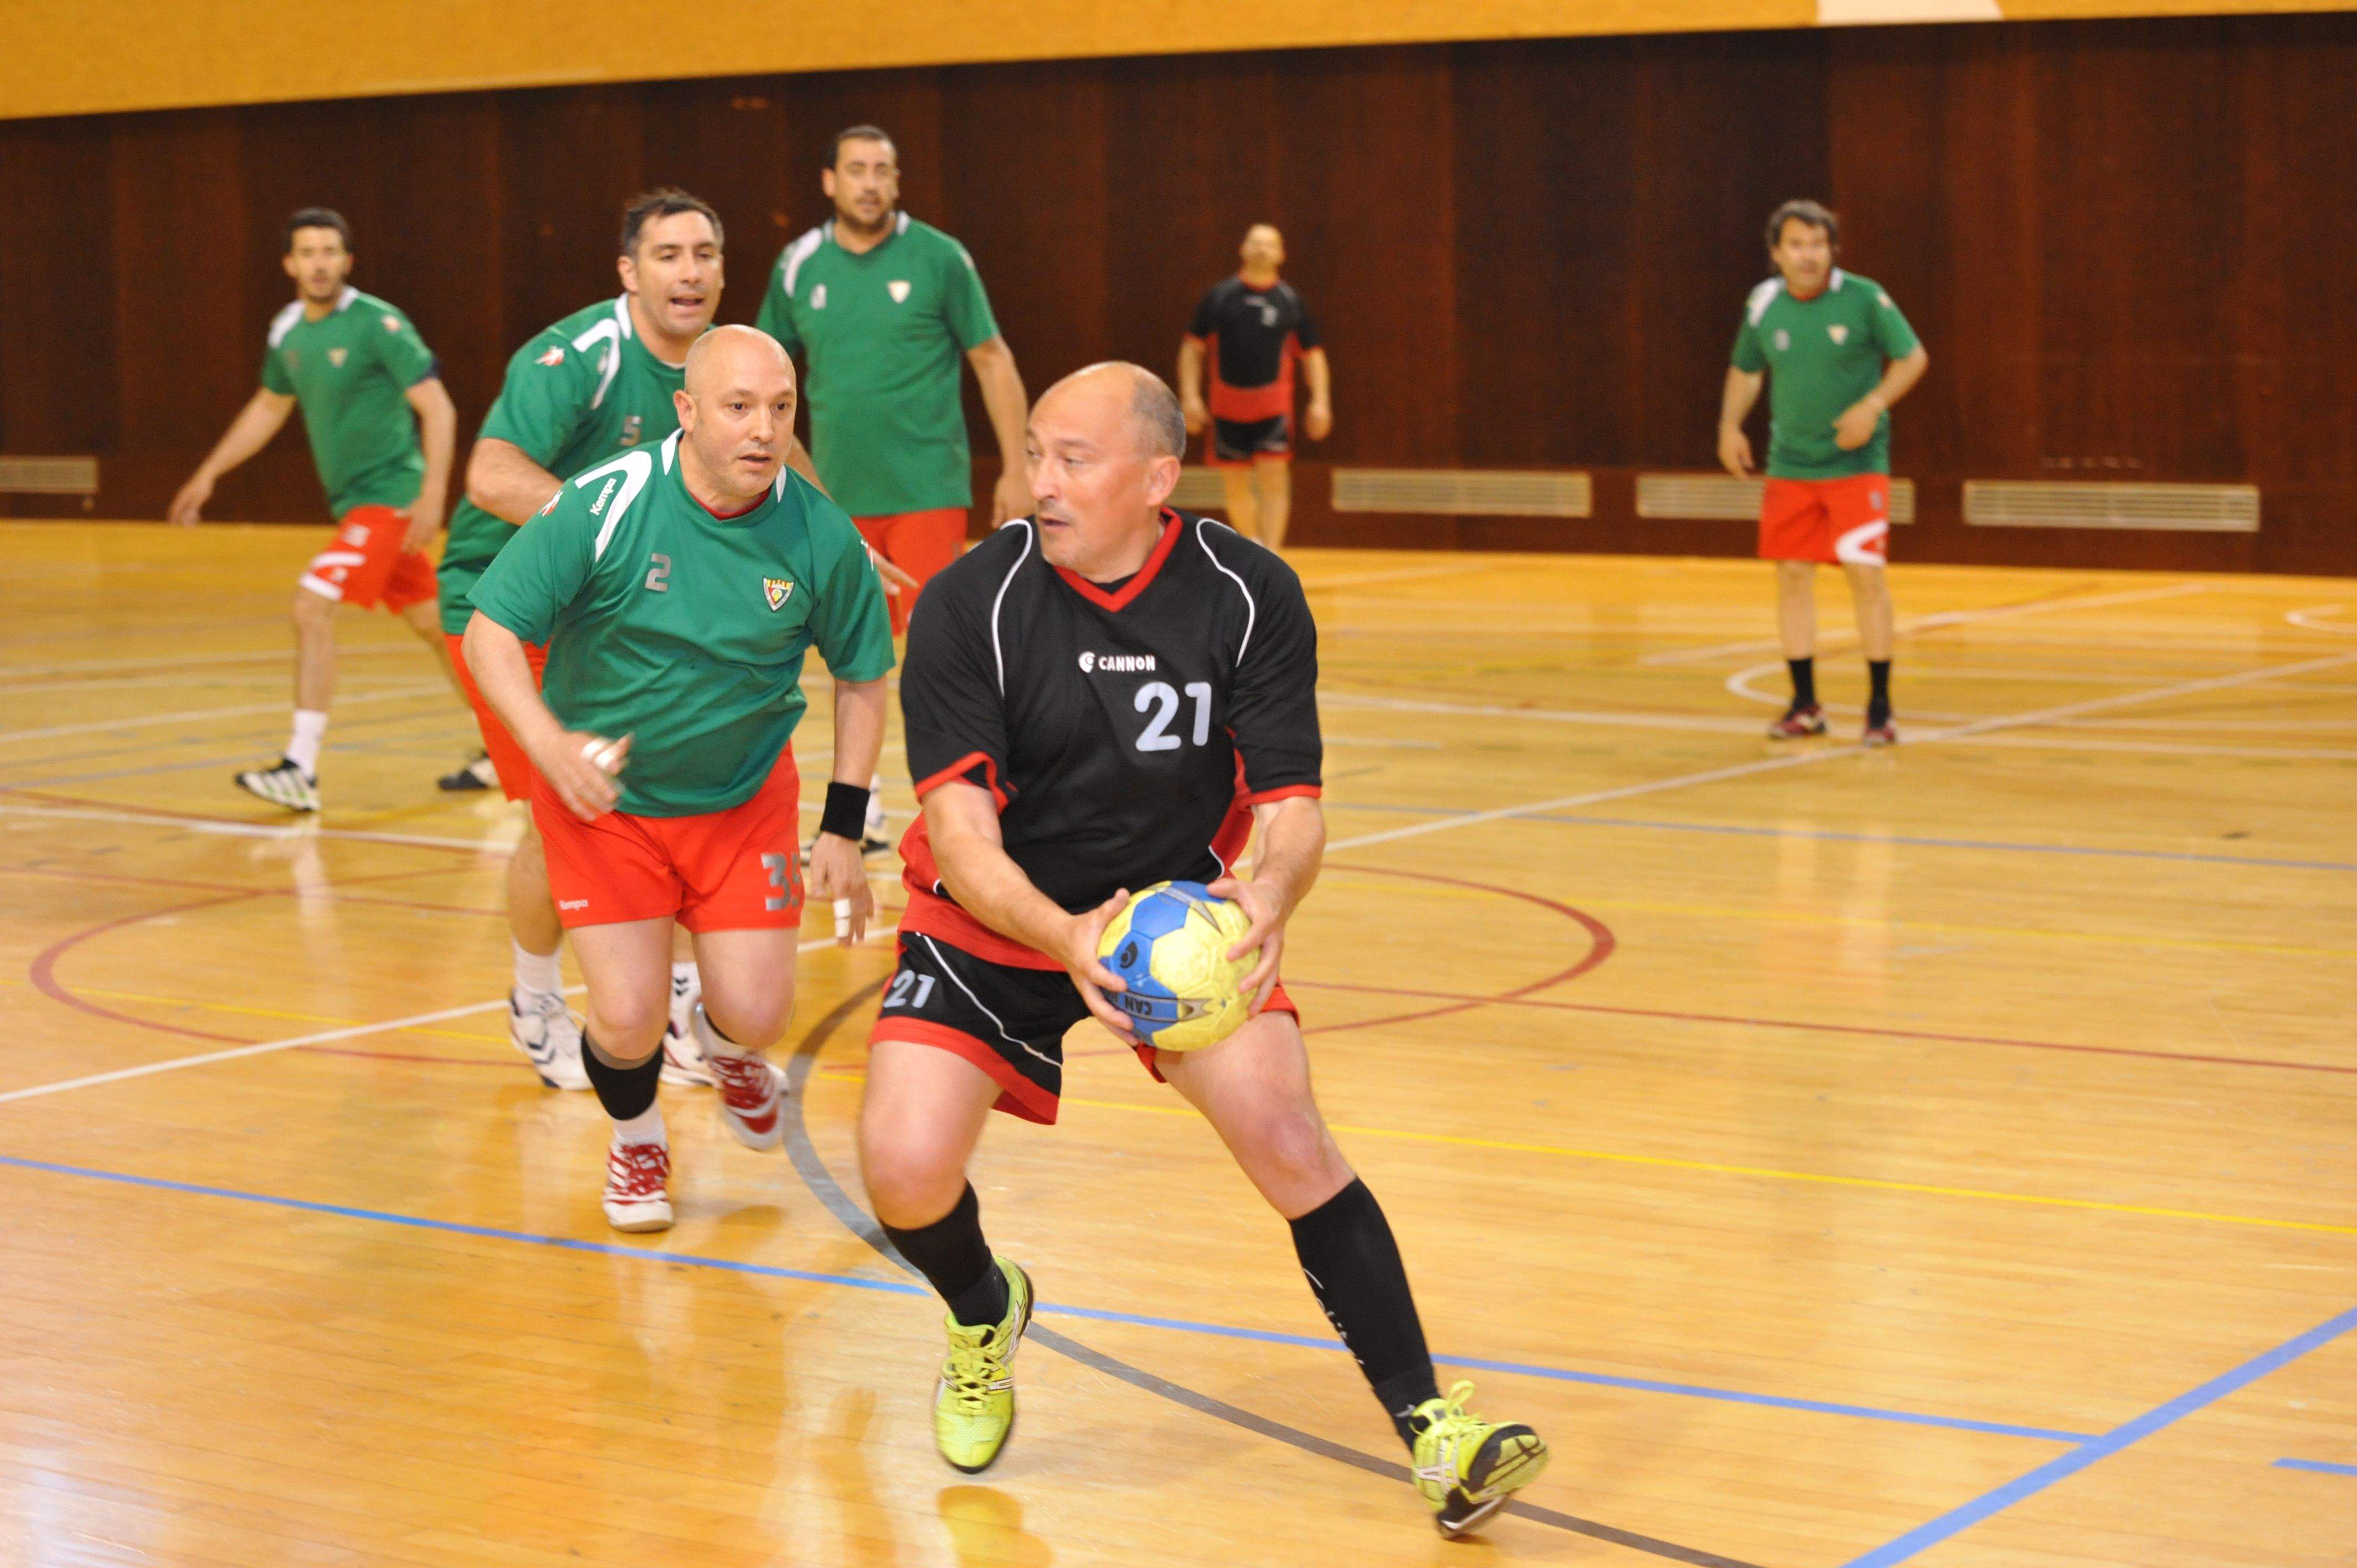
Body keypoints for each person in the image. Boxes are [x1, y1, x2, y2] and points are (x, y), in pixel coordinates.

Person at [856, 362, 1547, 1535]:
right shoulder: (972, 601)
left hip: (1177, 916)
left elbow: (1291, 806)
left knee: (1286, 1130)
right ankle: (983, 1309)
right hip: (997, 922)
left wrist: (1268, 895)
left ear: (1159, 478)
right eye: (1033, 454)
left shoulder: (1246, 593)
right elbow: (964, 840)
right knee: (901, 1166)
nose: (1041, 483)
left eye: (1074, 459)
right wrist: (1070, 936)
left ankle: (1436, 1429)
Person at [462, 325, 893, 1233]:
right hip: (608, 807)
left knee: (758, 1011)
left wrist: (843, 827)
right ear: (688, 412)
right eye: (739, 408)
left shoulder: (821, 534)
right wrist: (549, 748)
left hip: (741, 804)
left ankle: (725, 1049)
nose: (764, 430)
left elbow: (862, 676)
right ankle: (638, 1136)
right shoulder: (603, 502)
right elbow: (490, 634)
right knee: (624, 1022)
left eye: (780, 409)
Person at [440, 189, 821, 1091]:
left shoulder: (724, 364)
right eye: (667, 255)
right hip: (513, 603)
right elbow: (491, 474)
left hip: (624, 613)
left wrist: (830, 537)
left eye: (704, 254)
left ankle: (685, 1005)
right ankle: (536, 1000)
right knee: (564, 808)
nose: (689, 272)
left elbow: (775, 447)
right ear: (629, 272)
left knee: (679, 790)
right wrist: (617, 534)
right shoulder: (580, 357)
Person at [756, 123, 1032, 848]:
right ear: (830, 181)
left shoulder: (940, 258)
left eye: (884, 170)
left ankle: (964, 802)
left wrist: (1018, 465)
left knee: (939, 651)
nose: (871, 182)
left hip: (925, 488)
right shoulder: (797, 266)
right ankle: (861, 806)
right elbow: (760, 374)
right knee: (854, 651)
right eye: (857, 169)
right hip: (831, 501)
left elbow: (993, 358)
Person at [169, 207, 461, 812]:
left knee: (311, 606)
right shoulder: (287, 332)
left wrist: (432, 497)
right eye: (308, 252)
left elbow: (439, 409)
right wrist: (211, 471)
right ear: (289, 264)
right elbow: (268, 408)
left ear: (347, 261)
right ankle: (507, 743)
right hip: (356, 505)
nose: (320, 263)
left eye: (331, 251)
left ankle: (300, 766)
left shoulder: (378, 323)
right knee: (439, 631)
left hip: (391, 499)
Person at [1719, 199, 1929, 746]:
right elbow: (1745, 368)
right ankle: (1804, 705)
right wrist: (1729, 427)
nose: (1807, 256)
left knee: (1865, 578)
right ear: (1775, 254)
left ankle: (1879, 709)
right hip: (1789, 466)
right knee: (1790, 578)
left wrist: (1872, 405)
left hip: (1855, 469)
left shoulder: (1863, 298)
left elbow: (1912, 358)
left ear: (1831, 250)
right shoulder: (1762, 303)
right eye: (1795, 245)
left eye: (1817, 245)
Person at [1177, 224, 1331, 549]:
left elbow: (1313, 355)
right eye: (1255, 243)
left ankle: (1272, 555)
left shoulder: (1290, 301)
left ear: (1281, 254)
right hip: (1226, 408)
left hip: (1273, 408)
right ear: (1243, 249)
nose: (1262, 249)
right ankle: (1252, 546)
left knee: (1274, 479)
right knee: (1235, 485)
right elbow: (1192, 349)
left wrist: (1321, 402)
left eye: (1270, 245)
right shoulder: (1219, 297)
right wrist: (1189, 398)